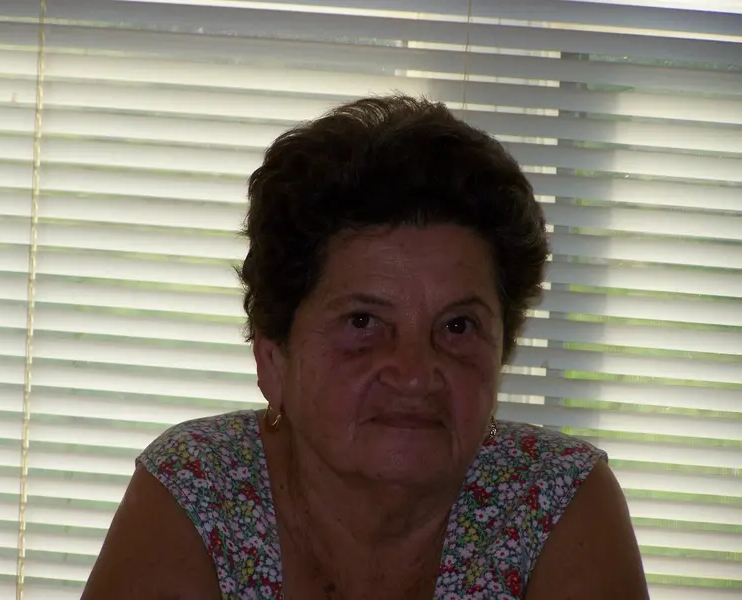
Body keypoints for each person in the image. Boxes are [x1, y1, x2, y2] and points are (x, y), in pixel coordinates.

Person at [81, 95, 648, 599]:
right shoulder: (199, 491)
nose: (415, 373)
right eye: (362, 322)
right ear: (273, 361)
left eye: (457, 327)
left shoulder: (558, 500)